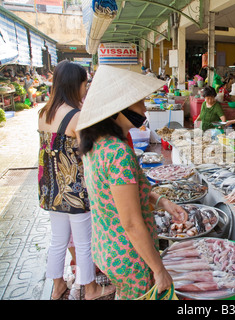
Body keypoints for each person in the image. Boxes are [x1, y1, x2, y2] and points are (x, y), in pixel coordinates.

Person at [76, 65, 187, 300]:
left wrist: (163, 202)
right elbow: (132, 223)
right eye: (139, 103)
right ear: (119, 109)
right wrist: (159, 270)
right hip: (130, 256)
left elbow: (122, 194)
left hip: (107, 246)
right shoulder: (118, 153)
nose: (145, 108)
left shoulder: (95, 143)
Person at [38, 60, 115, 300]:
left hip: (50, 188)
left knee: (58, 240)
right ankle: (90, 289)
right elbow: (89, 153)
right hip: (74, 190)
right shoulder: (75, 116)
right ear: (75, 84)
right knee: (84, 241)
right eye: (85, 83)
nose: (86, 88)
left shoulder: (44, 112)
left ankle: (58, 285)